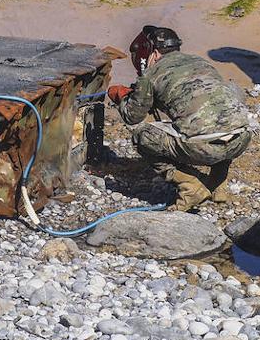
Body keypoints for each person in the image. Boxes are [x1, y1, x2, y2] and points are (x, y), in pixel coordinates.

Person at [108, 26, 252, 212]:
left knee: (142, 137)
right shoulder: (200, 63)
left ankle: (191, 187)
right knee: (219, 119)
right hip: (241, 140)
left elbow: (133, 116)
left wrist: (122, 96)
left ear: (153, 52)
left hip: (203, 147)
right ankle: (218, 184)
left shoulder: (151, 74)